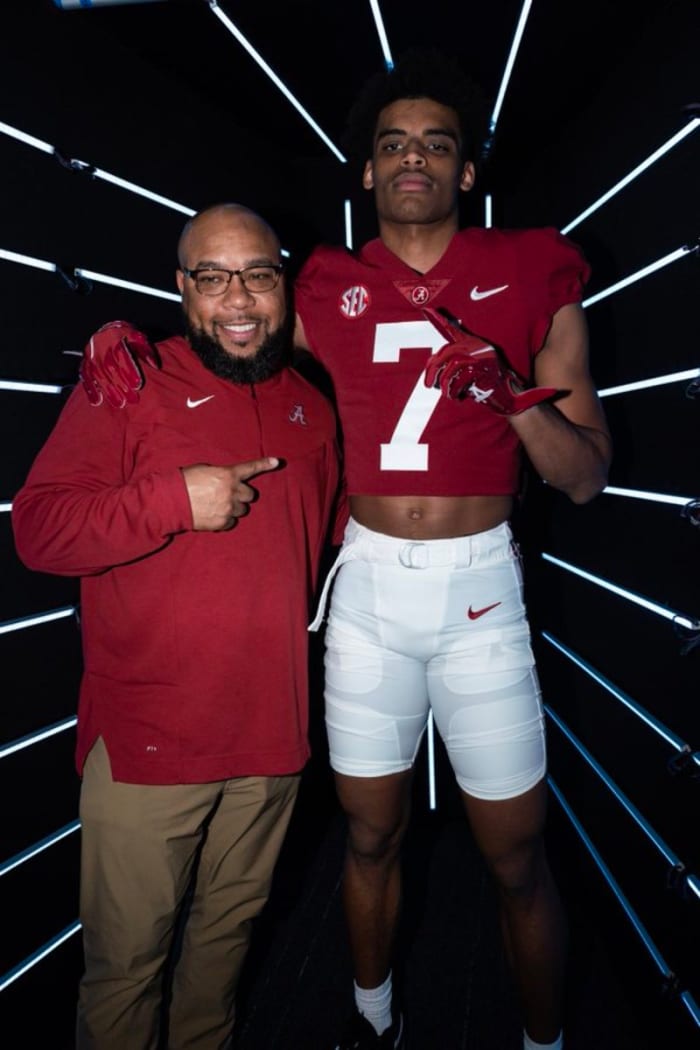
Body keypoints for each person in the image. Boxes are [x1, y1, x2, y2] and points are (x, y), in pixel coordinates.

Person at [71, 49, 612, 1050]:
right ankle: (376, 1024)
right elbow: (238, 337)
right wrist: (141, 348)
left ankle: (544, 1042)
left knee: (517, 858)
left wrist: (511, 401)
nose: (413, 159)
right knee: (368, 834)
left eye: (436, 145)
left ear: (465, 172)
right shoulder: (320, 281)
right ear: (365, 171)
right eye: (393, 144)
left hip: (480, 591)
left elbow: (583, 475)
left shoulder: (535, 268)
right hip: (364, 588)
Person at [11, 202, 342, 1050]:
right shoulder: (127, 382)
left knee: (222, 962)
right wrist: (173, 500)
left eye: (258, 275)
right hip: (150, 748)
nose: (238, 299)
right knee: (125, 975)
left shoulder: (315, 409)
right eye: (212, 277)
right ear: (181, 288)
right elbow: (39, 531)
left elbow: (339, 544)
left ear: (284, 285)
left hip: (272, 743)